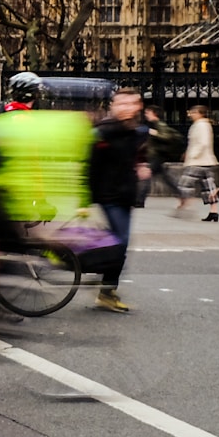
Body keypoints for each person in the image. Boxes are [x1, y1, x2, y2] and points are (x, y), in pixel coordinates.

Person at [89, 88, 151, 313]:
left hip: (126, 194)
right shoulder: (103, 131)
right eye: (121, 103)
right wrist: (85, 199)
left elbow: (139, 155)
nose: (125, 108)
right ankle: (106, 288)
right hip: (108, 195)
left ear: (138, 106)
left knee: (120, 242)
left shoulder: (136, 131)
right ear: (113, 106)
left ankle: (106, 287)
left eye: (131, 103)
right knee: (121, 240)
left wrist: (142, 166)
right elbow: (90, 163)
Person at [177, 105, 219, 220]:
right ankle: (214, 211)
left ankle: (186, 206)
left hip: (198, 161)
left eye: (194, 112)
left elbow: (203, 143)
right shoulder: (203, 125)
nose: (191, 114)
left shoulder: (201, 125)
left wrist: (193, 154)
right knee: (208, 187)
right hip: (206, 160)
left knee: (185, 184)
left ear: (201, 113)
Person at [142, 106, 184, 201]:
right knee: (165, 178)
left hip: (157, 155)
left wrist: (153, 133)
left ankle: (139, 200)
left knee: (147, 176)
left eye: (148, 113)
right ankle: (180, 193)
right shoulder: (153, 124)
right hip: (156, 155)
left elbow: (166, 137)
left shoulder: (160, 124)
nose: (146, 115)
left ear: (154, 113)